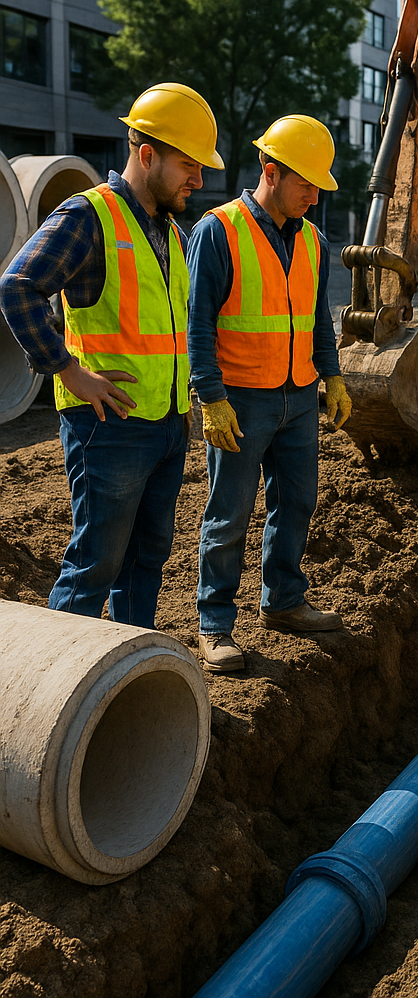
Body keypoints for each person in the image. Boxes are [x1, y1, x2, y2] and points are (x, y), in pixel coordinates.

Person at [0, 82, 223, 629]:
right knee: (94, 566)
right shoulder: (89, 216)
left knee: (146, 561)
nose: (200, 179)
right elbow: (17, 288)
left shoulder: (170, 229)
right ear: (146, 155)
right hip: (110, 428)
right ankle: (54, 699)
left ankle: (126, 672)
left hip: (167, 424)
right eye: (189, 165)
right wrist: (68, 371)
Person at [186, 114, 351, 674]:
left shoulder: (313, 239)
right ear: (270, 171)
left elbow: (316, 320)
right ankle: (215, 626)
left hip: (299, 395)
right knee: (228, 514)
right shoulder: (219, 230)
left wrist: (332, 375)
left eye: (318, 185)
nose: (313, 194)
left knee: (296, 503)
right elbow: (198, 323)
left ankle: (283, 601)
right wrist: (209, 396)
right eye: (305, 182)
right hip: (241, 399)